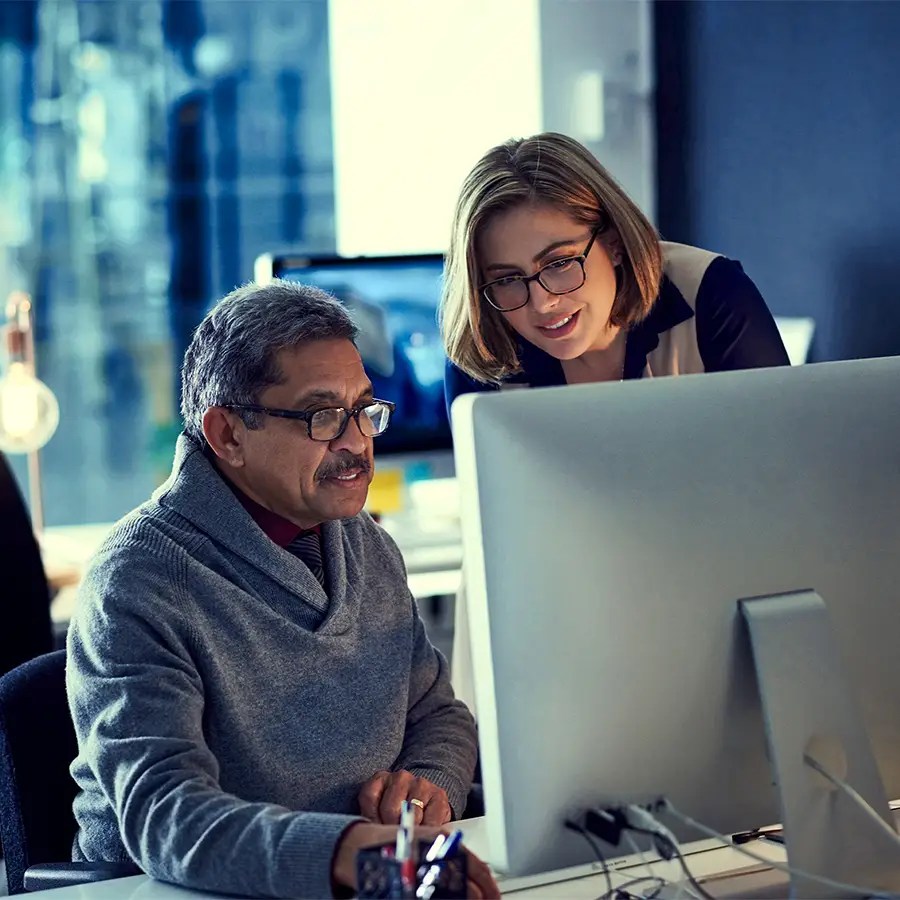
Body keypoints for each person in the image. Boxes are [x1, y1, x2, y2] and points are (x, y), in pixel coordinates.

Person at [66, 281, 498, 899]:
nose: (356, 441)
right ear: (228, 435)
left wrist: (428, 784)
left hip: (362, 879)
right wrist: (348, 851)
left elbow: (438, 714)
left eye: (364, 410)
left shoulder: (365, 542)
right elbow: (165, 818)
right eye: (323, 416)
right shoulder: (137, 580)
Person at [440, 131, 789, 713]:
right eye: (506, 279)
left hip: (716, 593)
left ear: (617, 244)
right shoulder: (484, 336)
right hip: (553, 617)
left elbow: (780, 485)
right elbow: (509, 540)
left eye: (558, 264)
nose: (542, 302)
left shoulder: (711, 297)